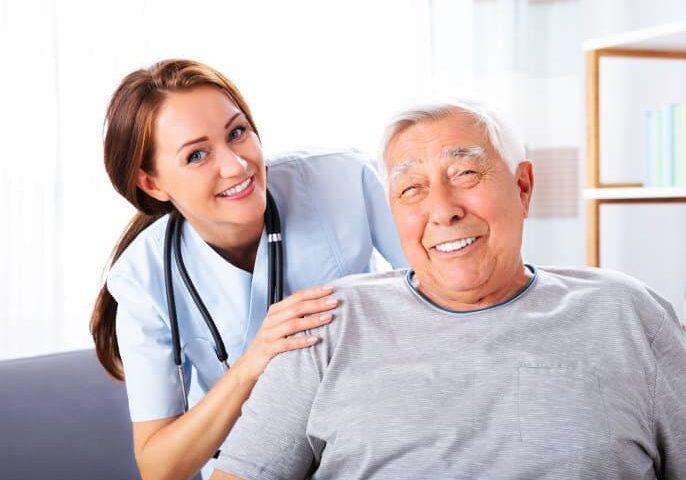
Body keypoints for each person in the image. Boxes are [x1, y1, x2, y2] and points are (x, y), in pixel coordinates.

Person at [212, 99, 686, 479]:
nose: (443, 210)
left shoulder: (626, 311)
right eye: (411, 189)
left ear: (523, 188)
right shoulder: (327, 323)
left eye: (465, 174)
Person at [90, 59, 407, 480]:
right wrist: (254, 361)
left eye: (237, 133)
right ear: (152, 184)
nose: (237, 166)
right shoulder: (143, 277)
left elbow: (444, 288)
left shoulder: (343, 178)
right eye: (197, 155)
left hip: (377, 444)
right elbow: (159, 467)